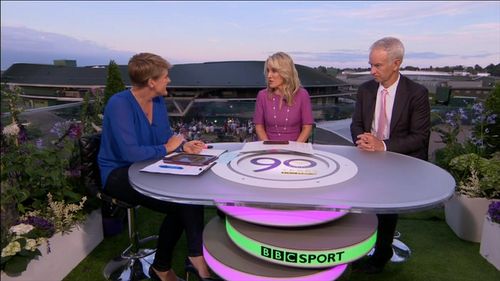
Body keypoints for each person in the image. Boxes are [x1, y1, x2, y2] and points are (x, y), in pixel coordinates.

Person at [98, 53, 213, 281]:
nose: (168, 80)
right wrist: (167, 148)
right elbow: (129, 153)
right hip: (118, 173)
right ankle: (186, 260)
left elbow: (164, 138)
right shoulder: (119, 104)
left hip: (148, 166)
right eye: (165, 77)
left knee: (188, 198)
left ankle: (181, 260)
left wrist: (183, 147)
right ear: (151, 81)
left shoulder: (158, 101)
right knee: (181, 204)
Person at [350, 37, 431, 273]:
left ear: (396, 63)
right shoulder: (365, 90)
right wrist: (363, 139)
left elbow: (419, 137)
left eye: (378, 66)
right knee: (360, 206)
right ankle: (358, 249)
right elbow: (356, 124)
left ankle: (381, 256)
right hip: (367, 156)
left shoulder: (416, 93)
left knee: (386, 210)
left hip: (400, 161)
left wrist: (382, 145)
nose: (372, 71)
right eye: (370, 65)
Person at [253, 52, 314, 142]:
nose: (269, 75)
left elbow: (307, 127)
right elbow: (259, 126)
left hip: (295, 149)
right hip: (268, 149)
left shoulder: (302, 95)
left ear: (285, 72)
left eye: (274, 71)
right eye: (268, 71)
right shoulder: (262, 95)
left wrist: (295, 149)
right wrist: (269, 147)